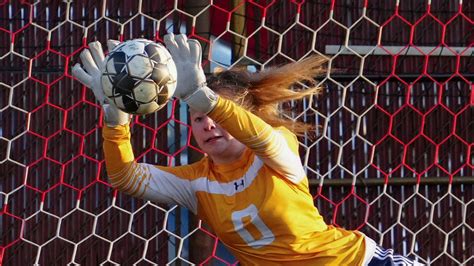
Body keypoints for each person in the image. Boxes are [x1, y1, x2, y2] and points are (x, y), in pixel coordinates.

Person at [72, 34, 422, 265]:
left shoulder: (276, 150)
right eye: (196, 119)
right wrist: (115, 118)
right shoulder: (198, 183)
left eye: (212, 116)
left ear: (241, 115)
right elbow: (126, 177)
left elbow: (261, 138)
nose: (206, 124)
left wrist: (205, 100)